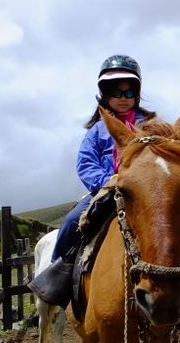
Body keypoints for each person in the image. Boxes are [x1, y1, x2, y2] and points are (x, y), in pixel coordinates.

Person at [31, 54, 156, 307]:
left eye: (129, 91)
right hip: (106, 190)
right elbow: (86, 164)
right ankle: (57, 277)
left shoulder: (150, 126)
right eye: (115, 91)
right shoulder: (97, 131)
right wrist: (107, 181)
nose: (123, 97)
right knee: (71, 221)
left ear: (137, 93)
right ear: (104, 94)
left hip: (143, 191)